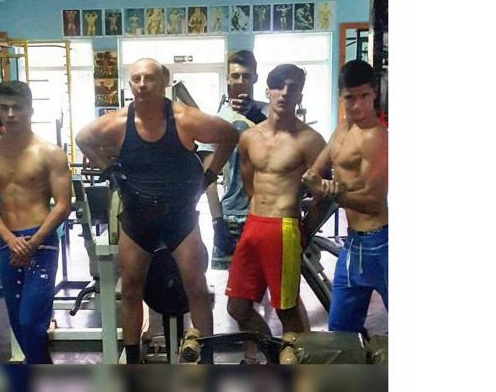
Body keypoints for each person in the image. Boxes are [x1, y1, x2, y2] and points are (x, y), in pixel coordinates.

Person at [76, 58, 239, 363]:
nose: (142, 85)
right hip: (137, 217)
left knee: (197, 288)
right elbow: (83, 139)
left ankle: (207, 358)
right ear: (129, 83)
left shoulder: (184, 119)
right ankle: (133, 360)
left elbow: (229, 134)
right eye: (136, 78)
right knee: (131, 289)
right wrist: (109, 171)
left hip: (180, 217)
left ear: (163, 82)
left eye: (149, 78)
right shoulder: (119, 122)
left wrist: (209, 176)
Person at [225, 64, 326, 364]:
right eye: (278, 86)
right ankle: (274, 356)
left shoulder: (310, 140)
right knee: (237, 307)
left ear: (299, 95)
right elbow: (249, 184)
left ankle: (303, 371)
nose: (284, 93)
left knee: (286, 308)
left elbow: (323, 194)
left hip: (284, 227)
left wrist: (303, 231)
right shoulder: (249, 137)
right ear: (267, 91)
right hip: (253, 225)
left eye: (292, 88)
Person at [0, 81, 72, 364]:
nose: (10, 114)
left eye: (17, 108)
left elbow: (63, 204)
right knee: (19, 323)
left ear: (30, 110)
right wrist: (10, 240)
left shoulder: (50, 153)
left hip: (40, 242)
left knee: (32, 321)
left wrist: (33, 242)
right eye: (5, 108)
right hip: (9, 242)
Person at [301, 60, 388, 335]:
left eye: (364, 96)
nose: (358, 105)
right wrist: (311, 179)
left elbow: (373, 202)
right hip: (353, 246)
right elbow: (318, 168)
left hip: (382, 244)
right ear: (341, 96)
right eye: (350, 98)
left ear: (374, 93)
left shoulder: (376, 137)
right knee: (340, 330)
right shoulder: (341, 130)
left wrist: (331, 193)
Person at [198, 50, 266, 269]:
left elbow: (285, 145)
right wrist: (217, 222)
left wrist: (257, 117)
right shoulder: (217, 121)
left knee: (269, 282)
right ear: (227, 78)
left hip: (268, 211)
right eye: (235, 76)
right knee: (236, 287)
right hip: (233, 215)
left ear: (255, 77)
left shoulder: (271, 114)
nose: (240, 81)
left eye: (246, 76)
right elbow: (208, 176)